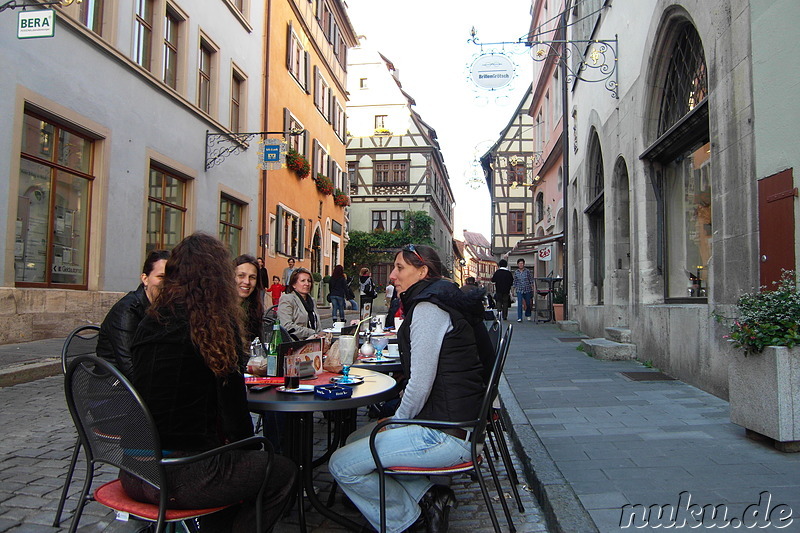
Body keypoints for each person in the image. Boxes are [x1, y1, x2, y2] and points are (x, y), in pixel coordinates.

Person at [126, 232, 296, 532]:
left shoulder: (150, 319)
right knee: (282, 471)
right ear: (219, 276)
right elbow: (236, 418)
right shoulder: (214, 326)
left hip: (134, 470)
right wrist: (250, 454)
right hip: (180, 475)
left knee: (237, 470)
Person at [329, 244, 492, 533]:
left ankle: (407, 521)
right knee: (356, 437)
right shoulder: (441, 298)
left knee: (341, 465)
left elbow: (419, 383)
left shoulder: (429, 308)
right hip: (456, 423)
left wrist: (396, 422)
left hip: (447, 434)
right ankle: (430, 497)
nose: (392, 275)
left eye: (400, 268)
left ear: (423, 271)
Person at [96, 249, 170, 378]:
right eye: (161, 277)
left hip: (142, 381)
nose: (167, 284)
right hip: (113, 388)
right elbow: (130, 367)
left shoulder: (163, 308)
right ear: (145, 279)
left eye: (172, 278)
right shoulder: (126, 311)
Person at [277, 267, 321, 340]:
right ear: (294, 285)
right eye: (303, 281)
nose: (307, 284)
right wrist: (312, 333)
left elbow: (318, 325)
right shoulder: (288, 299)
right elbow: (286, 326)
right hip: (295, 343)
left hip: (315, 341)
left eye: (309, 281)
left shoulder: (312, 301)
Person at [234, 254, 264, 343]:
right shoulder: (218, 311)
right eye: (241, 276)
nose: (247, 282)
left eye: (252, 277)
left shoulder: (255, 310)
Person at [513, 258, 535, 322]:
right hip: (519, 289)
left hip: (527, 289)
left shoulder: (527, 271)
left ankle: (528, 314)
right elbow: (515, 281)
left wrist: (532, 288)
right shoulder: (516, 272)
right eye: (519, 263)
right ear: (517, 264)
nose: (521, 265)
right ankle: (519, 317)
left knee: (528, 303)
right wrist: (513, 289)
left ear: (524, 264)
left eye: (522, 263)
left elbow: (531, 280)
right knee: (519, 303)